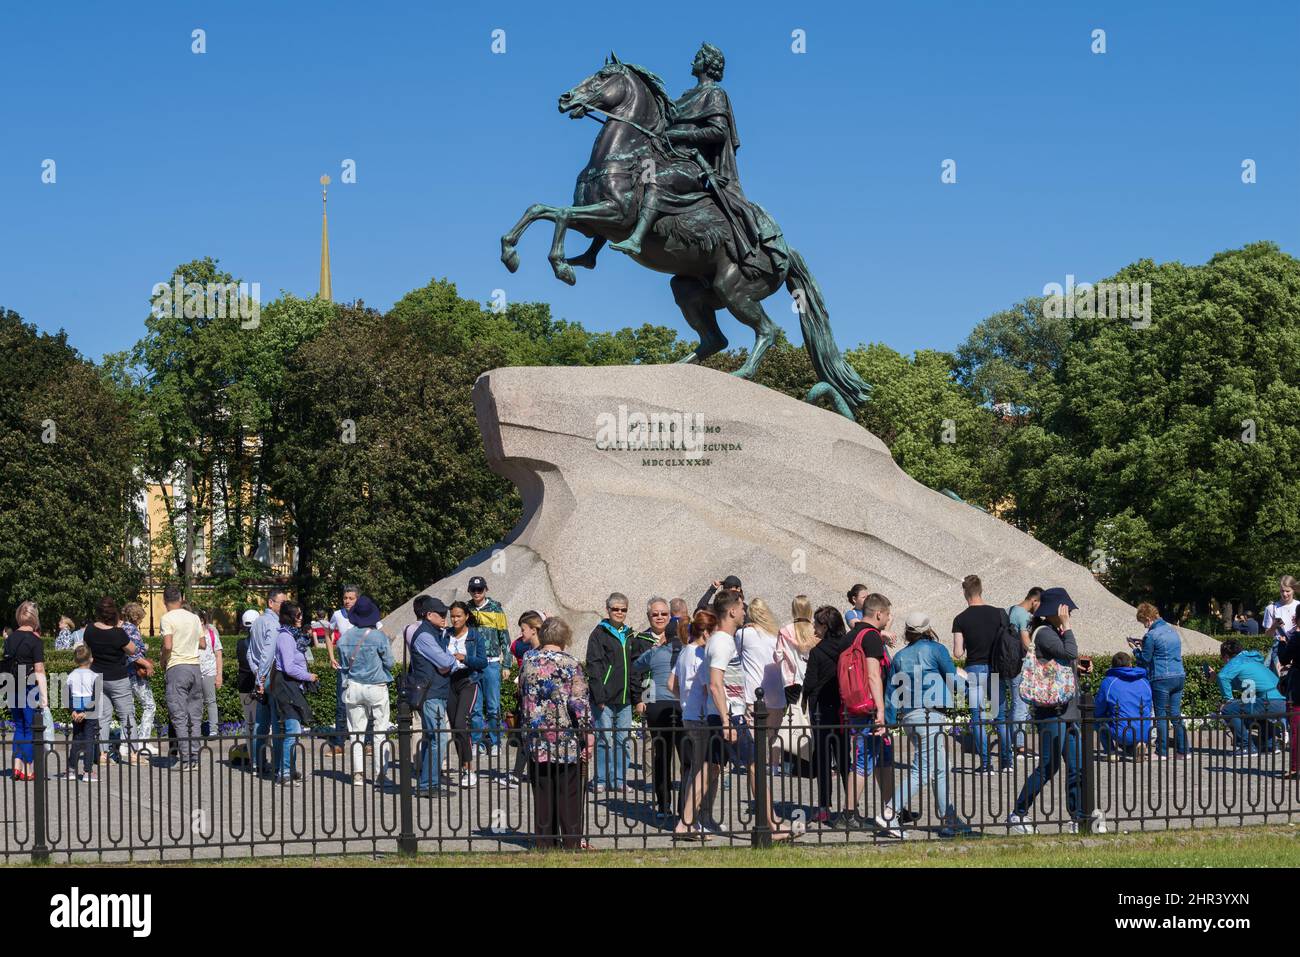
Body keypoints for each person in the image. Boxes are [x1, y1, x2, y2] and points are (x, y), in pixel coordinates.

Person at [880, 612, 964, 836]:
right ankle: (890, 812)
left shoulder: (899, 657)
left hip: (910, 717)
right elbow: (952, 677)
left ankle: (948, 819)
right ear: (928, 629)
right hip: (930, 715)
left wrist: (889, 722)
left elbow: (891, 693)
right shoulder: (936, 650)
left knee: (940, 768)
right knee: (922, 771)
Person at [1009, 588, 1084, 834]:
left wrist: (1078, 668)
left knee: (1076, 766)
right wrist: (1068, 626)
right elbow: (1069, 651)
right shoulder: (1045, 634)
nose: (1069, 612)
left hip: (1067, 710)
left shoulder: (1055, 633)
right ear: (1055, 611)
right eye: (1066, 609)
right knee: (1049, 766)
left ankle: (1078, 816)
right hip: (1052, 711)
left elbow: (1064, 660)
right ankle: (1018, 813)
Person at [519, 616, 593, 850]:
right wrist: (588, 734)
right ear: (565, 638)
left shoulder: (528, 662)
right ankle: (571, 841)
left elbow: (521, 692)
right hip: (564, 739)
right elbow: (578, 703)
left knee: (543, 791)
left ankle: (545, 843)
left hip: (536, 737)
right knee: (568, 792)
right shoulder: (570, 664)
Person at [841, 594, 897, 834]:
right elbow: (874, 675)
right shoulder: (871, 637)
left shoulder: (850, 636)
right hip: (870, 709)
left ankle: (891, 809)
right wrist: (880, 711)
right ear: (878, 614)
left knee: (883, 758)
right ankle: (849, 813)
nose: (888, 619)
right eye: (887, 615)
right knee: (863, 760)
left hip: (855, 706)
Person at [734, 597, 790, 836]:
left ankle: (761, 808)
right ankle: (764, 807)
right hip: (777, 696)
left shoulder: (743, 635)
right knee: (764, 752)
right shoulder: (775, 634)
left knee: (756, 757)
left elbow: (735, 662)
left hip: (754, 697)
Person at [951, 574, 1011, 774]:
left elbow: (958, 652)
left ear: (965, 592)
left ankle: (986, 765)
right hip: (996, 668)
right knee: (1000, 717)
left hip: (974, 670)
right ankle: (1007, 762)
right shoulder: (999, 613)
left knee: (977, 718)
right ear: (981, 589)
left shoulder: (960, 619)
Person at [631, 597, 683, 820]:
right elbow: (637, 673)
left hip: (670, 702)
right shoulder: (642, 640)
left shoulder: (675, 645)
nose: (660, 617)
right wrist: (639, 698)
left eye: (664, 614)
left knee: (675, 753)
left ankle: (674, 803)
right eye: (655, 614)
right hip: (658, 698)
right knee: (662, 752)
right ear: (649, 617)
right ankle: (666, 801)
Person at [585, 592, 641, 793]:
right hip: (605, 698)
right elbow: (594, 665)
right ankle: (600, 779)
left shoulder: (630, 634)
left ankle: (619, 779)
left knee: (623, 740)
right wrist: (598, 695)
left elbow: (634, 667)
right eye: (615, 609)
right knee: (604, 739)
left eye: (623, 609)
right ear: (608, 610)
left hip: (624, 698)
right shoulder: (599, 634)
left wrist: (636, 697)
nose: (619, 612)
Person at [336, 595, 395, 786]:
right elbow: (390, 663)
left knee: (356, 733)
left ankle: (358, 774)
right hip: (376, 686)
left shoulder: (344, 639)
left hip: (354, 686)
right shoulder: (379, 637)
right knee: (379, 732)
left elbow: (344, 666)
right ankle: (380, 774)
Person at [802, 605, 853, 824]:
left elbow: (810, 683)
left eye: (816, 623)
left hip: (822, 711)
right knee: (844, 760)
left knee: (823, 761)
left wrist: (804, 699)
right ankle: (851, 806)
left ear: (824, 626)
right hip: (843, 709)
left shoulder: (818, 651)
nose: (814, 627)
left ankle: (824, 807)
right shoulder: (847, 647)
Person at [670, 609, 715, 840]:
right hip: (700, 715)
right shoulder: (701, 654)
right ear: (706, 633)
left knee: (693, 769)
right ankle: (691, 820)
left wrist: (684, 699)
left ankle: (689, 818)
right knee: (701, 770)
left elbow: (671, 683)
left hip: (689, 713)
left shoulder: (684, 651)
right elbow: (710, 687)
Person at [408, 596, 457, 793]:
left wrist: (448, 661)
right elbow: (445, 663)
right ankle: (430, 784)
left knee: (432, 738)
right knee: (440, 738)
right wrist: (450, 661)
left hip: (436, 692)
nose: (445, 617)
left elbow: (446, 662)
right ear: (429, 615)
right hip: (431, 694)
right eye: (441, 614)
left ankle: (427, 783)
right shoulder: (425, 636)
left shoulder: (435, 632)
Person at [85, 597, 139, 766]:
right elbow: (132, 650)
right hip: (118, 677)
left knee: (103, 717)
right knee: (127, 716)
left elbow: (87, 649)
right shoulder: (118, 633)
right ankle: (134, 754)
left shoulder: (90, 630)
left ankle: (103, 754)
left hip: (98, 676)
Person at [1130, 602, 1188, 759]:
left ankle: (1161, 752)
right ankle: (1183, 751)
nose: (1144, 626)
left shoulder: (1151, 635)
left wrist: (1135, 649)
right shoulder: (1172, 630)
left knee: (1161, 716)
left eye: (1144, 622)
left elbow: (1145, 659)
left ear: (1148, 618)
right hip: (1179, 676)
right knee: (1176, 715)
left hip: (1161, 678)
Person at [272, 600, 318, 784]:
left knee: (294, 729)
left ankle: (290, 769)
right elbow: (289, 667)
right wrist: (308, 676)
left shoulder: (291, 635)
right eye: (298, 615)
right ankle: (283, 772)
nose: (301, 618)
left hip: (291, 685)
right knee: (292, 729)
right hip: (285, 685)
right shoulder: (285, 636)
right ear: (290, 617)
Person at [160, 586, 205, 770]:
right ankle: (194, 758)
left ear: (164, 601)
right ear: (182, 598)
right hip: (195, 667)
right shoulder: (194, 617)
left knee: (179, 715)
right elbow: (202, 644)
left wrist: (162, 659)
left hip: (177, 667)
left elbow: (168, 645)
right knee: (194, 716)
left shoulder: (167, 618)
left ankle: (185, 760)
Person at [1215, 638, 1286, 755]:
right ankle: (1270, 745)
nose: (1224, 662)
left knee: (1228, 709)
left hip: (1268, 700)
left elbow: (1222, 677)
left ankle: (1246, 746)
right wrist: (1215, 679)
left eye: (1222, 659)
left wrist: (1228, 700)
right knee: (1254, 712)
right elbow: (1245, 683)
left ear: (1227, 656)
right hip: (1280, 701)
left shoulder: (1237, 661)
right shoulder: (1251, 660)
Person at [466, 576, 509, 758]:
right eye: (474, 590)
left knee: (493, 706)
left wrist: (506, 664)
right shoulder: (465, 609)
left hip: (491, 663)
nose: (477, 593)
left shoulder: (496, 609)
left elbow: (504, 638)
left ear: (486, 589)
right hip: (472, 663)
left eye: (480, 589)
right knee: (474, 708)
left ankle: (495, 741)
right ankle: (476, 742)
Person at [447, 600, 487, 787]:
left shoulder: (475, 636)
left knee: (462, 723)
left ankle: (469, 769)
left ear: (466, 616)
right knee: (455, 727)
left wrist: (465, 658)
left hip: (468, 681)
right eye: (452, 616)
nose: (455, 619)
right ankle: (463, 766)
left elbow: (482, 662)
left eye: (458, 616)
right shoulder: (445, 634)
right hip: (449, 682)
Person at [5, 601, 47, 780]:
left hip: (12, 685)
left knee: (19, 726)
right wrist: (45, 696)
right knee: (30, 728)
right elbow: (39, 670)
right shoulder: (36, 641)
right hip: (29, 686)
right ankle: (29, 768)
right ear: (34, 618)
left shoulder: (10, 639)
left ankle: (16, 766)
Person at [248, 588, 287, 775]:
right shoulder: (273, 624)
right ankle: (279, 766)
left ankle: (257, 763)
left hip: (261, 676)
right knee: (276, 722)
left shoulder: (257, 622)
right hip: (270, 677)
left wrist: (256, 674)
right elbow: (268, 653)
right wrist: (262, 677)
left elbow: (250, 653)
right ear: (271, 603)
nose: (285, 606)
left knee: (260, 724)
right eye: (282, 603)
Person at [1005, 587, 1042, 759]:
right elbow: (1026, 641)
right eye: (1039, 604)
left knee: (1012, 705)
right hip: (1018, 665)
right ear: (1034, 601)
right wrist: (1038, 654)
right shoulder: (1025, 616)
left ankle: (1011, 742)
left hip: (1004, 663)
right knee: (1021, 704)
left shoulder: (1009, 610)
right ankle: (1019, 747)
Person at [1095, 651, 1153, 760]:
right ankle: (1138, 746)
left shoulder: (1108, 682)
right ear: (1130, 664)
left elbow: (1099, 709)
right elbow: (1149, 706)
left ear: (1113, 666)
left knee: (1098, 720)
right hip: (1143, 731)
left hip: (1122, 732)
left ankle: (1111, 752)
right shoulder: (1144, 681)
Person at [120, 602, 157, 758]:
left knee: (128, 709)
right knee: (149, 705)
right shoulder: (131, 629)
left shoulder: (121, 629)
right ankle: (143, 740)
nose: (141, 620)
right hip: (135, 674)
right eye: (140, 617)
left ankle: (125, 744)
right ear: (136, 616)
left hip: (123, 674)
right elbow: (133, 653)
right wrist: (146, 663)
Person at [327, 585, 360, 755]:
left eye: (351, 598)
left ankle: (367, 741)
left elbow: (379, 632)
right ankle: (339, 743)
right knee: (341, 704)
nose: (347, 601)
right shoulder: (338, 615)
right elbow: (328, 633)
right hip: (344, 667)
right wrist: (331, 656)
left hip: (362, 667)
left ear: (357, 599)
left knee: (364, 703)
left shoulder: (365, 614)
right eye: (345, 598)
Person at [67, 644, 100, 781]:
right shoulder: (95, 676)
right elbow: (96, 697)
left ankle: (71, 770)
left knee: (76, 739)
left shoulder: (71, 675)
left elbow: (66, 696)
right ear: (91, 659)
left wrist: (73, 711)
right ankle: (87, 771)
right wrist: (87, 712)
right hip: (89, 711)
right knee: (89, 741)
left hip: (76, 709)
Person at [1274, 627, 1300, 778]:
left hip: (1297, 688)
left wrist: (1283, 643)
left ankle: (1296, 768)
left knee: (1296, 728)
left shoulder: (1297, 637)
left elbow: (1284, 658)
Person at [235, 609, 258, 766]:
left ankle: (252, 757)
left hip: (244, 685)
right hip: (257, 685)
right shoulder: (260, 645)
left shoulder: (240, 644)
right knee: (261, 724)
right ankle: (258, 756)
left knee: (250, 723)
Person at [196, 609, 223, 737]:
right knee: (196, 702)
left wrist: (219, 675)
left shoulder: (212, 635)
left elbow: (218, 655)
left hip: (209, 672)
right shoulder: (190, 635)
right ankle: (196, 729)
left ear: (201, 620)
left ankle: (213, 730)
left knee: (211, 702)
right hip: (194, 672)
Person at [1263, 576, 1298, 674]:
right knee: (1282, 679)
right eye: (1282, 591)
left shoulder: (1298, 606)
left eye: (1287, 591)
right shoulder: (1271, 608)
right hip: (1279, 649)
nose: (1284, 594)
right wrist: (1274, 626)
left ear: (1293, 590)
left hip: (1297, 647)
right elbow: (1267, 635)